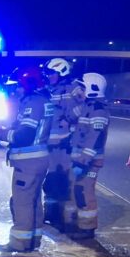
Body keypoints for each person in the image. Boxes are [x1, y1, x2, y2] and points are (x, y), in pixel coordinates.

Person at [0, 67, 52, 252]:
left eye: (18, 86)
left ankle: (19, 243)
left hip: (28, 161)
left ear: (28, 85)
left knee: (21, 202)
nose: (15, 90)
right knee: (34, 201)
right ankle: (33, 240)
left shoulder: (33, 103)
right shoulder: (42, 100)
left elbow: (24, 136)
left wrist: (2, 133)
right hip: (37, 159)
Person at [65, 72, 110, 239]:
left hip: (89, 161)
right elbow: (69, 117)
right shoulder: (86, 106)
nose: (80, 90)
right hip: (79, 159)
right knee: (76, 190)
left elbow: (95, 139)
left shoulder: (99, 111)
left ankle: (87, 229)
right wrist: (76, 100)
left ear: (91, 88)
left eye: (82, 87)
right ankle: (78, 223)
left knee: (85, 192)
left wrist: (83, 161)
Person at [42, 57, 83, 229]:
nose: (49, 76)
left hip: (66, 144)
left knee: (66, 181)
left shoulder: (74, 88)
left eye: (52, 73)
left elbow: (84, 106)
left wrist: (69, 118)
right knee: (50, 180)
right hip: (50, 144)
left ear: (62, 71)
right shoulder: (48, 90)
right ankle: (50, 213)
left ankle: (67, 218)